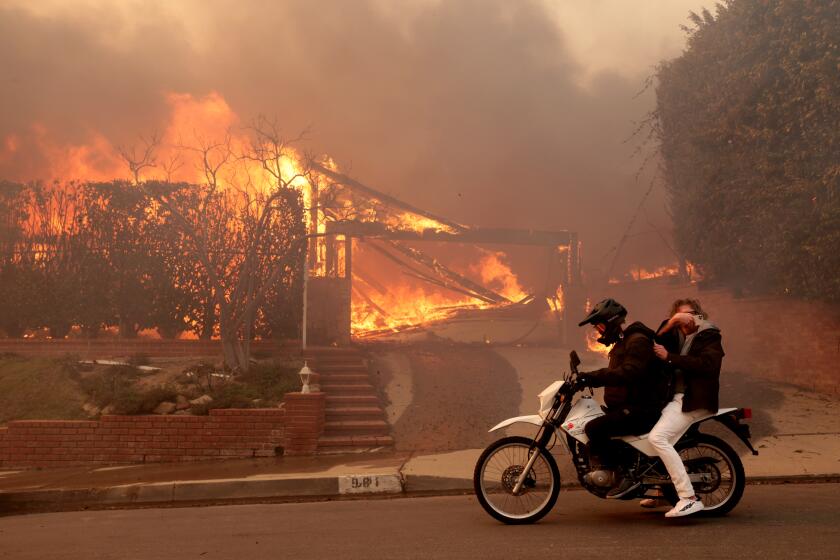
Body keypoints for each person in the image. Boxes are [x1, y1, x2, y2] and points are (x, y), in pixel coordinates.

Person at [577, 298, 669, 498]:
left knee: (594, 428)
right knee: (596, 423)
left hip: (642, 408)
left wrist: (593, 377)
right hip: (631, 405)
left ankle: (626, 476)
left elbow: (629, 372)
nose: (599, 331)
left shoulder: (637, 341)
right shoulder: (625, 341)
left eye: (600, 325)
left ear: (611, 321)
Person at [646, 298, 724, 518]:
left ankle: (688, 498)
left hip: (693, 399)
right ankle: (663, 490)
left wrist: (670, 357)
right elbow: (654, 341)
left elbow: (708, 366)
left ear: (698, 315)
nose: (685, 321)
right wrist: (671, 323)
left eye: (689, 315)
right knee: (653, 438)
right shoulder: (680, 335)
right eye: (681, 317)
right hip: (678, 398)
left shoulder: (709, 335)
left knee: (658, 438)